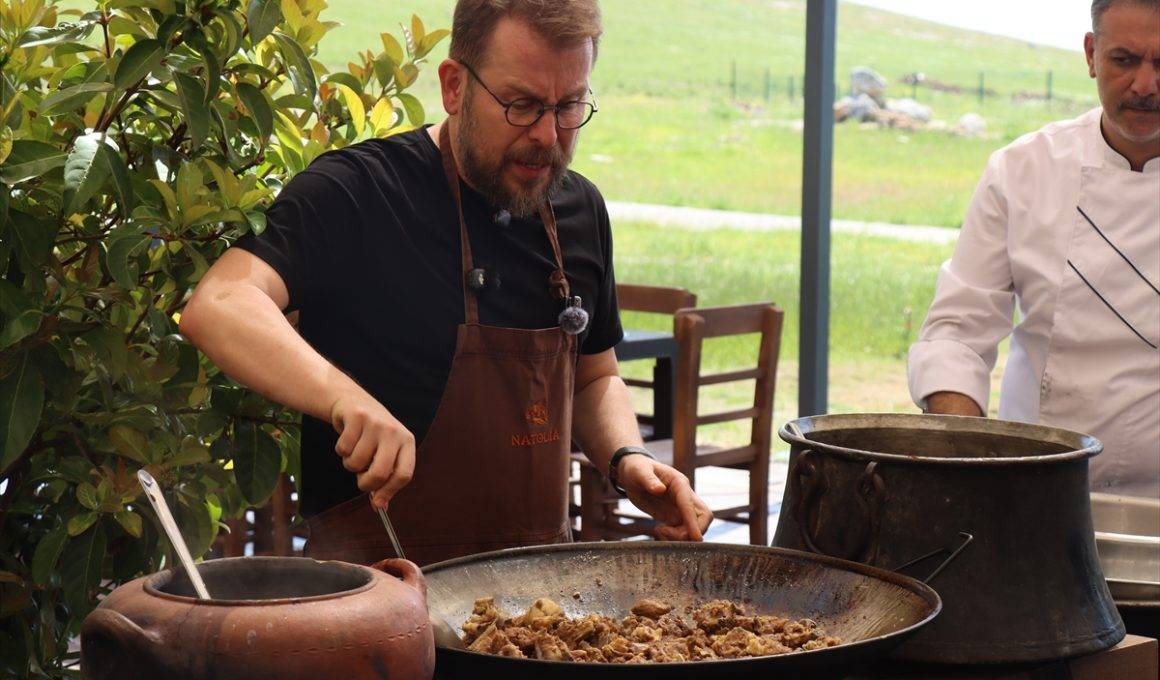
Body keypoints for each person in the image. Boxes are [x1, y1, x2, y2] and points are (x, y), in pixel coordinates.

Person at [180, 0, 712, 566]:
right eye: (522, 105)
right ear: (454, 87)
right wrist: (343, 397)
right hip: (375, 596)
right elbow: (220, 303)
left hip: (541, 595)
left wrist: (628, 459)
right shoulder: (356, 192)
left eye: (568, 106)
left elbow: (593, 377)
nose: (547, 135)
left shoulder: (580, 209)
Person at [908, 0, 1159, 497]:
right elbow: (958, 333)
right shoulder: (1023, 170)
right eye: (1125, 59)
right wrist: (967, 452)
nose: (1145, 85)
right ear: (1091, 54)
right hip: (1037, 486)